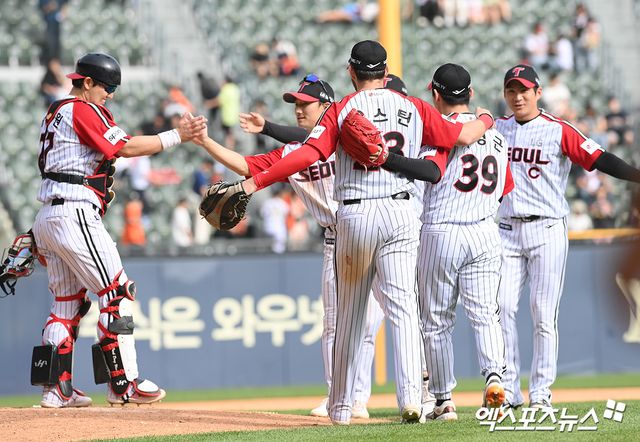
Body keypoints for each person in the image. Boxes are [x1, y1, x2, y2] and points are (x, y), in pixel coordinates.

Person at [236, 40, 495, 424]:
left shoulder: (342, 108)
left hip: (356, 213)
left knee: (350, 316)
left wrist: (253, 183)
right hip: (401, 211)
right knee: (404, 309)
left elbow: (308, 153)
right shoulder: (415, 106)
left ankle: (341, 407)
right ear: (386, 73)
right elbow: (462, 137)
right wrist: (487, 119)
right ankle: (412, 399)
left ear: (351, 72)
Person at [200, 74, 385, 419]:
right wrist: (206, 141)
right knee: (335, 323)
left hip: (374, 228)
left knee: (375, 321)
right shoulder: (291, 155)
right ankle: (340, 397)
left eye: (305, 104)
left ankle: (389, 395)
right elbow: (245, 165)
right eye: (296, 104)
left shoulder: (348, 138)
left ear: (326, 105)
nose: (299, 109)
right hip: (336, 238)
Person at [31, 52, 206, 408]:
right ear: (87, 82)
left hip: (50, 213)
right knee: (116, 293)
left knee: (66, 303)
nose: (109, 94)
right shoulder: (82, 108)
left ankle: (56, 390)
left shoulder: (56, 110)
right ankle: (124, 385)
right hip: (74, 211)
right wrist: (178, 135)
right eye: (106, 87)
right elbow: (123, 147)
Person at [496, 64, 640, 410]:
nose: (518, 97)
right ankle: (510, 392)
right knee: (500, 308)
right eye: (512, 90)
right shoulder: (497, 129)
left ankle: (541, 393)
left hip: (546, 228)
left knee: (543, 314)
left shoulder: (558, 130)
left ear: (538, 93)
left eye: (524, 90)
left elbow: (599, 158)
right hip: (506, 229)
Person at [415, 64, 513, 420]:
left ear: (435, 94)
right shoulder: (498, 137)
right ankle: (495, 378)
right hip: (485, 230)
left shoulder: (438, 132)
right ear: (470, 93)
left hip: (442, 229)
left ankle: (444, 400)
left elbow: (426, 175)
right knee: (486, 315)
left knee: (437, 321)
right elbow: (505, 188)